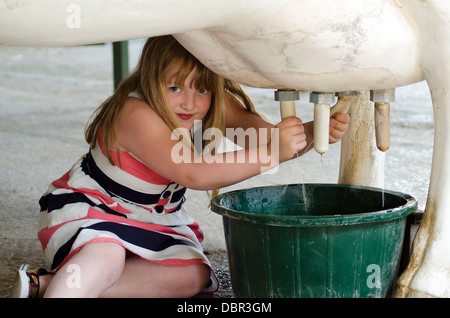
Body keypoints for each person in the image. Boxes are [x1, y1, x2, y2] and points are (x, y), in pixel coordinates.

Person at [11, 35, 349, 298]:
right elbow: (193, 172)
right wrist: (273, 152)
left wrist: (312, 132)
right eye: (175, 87)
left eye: (201, 88)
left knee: (193, 277)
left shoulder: (208, 103)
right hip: (95, 211)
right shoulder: (135, 114)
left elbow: (267, 139)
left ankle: (50, 285)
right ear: (150, 78)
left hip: (154, 221)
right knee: (106, 257)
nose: (189, 102)